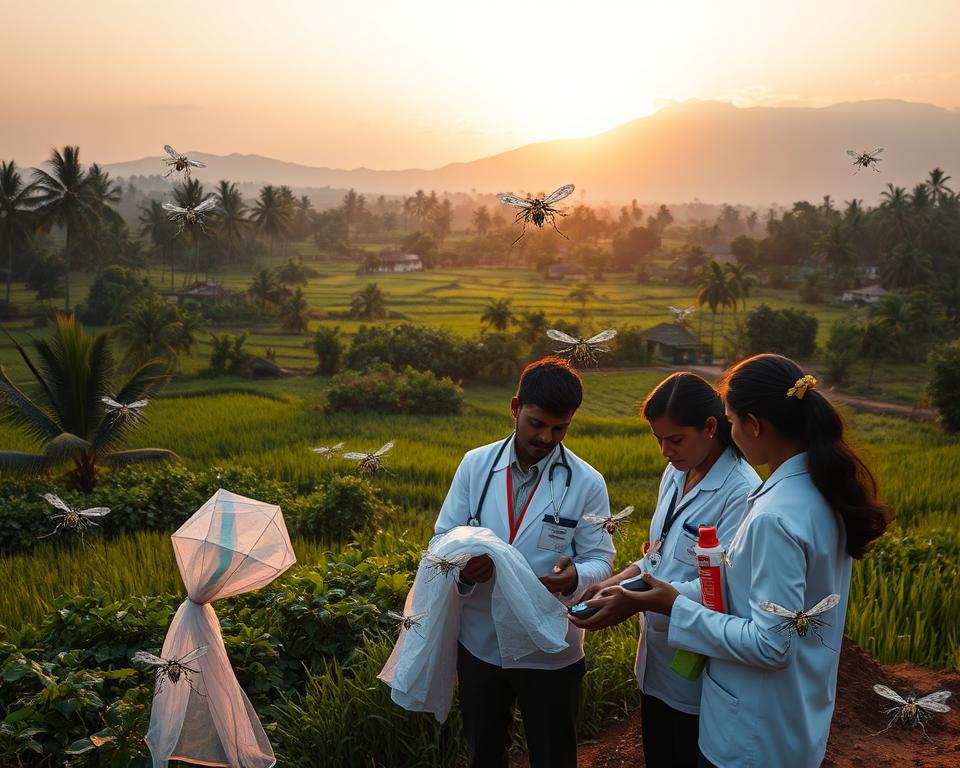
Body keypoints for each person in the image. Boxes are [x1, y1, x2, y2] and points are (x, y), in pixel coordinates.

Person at [572, 354, 893, 768]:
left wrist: (670, 604)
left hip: (754, 732)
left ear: (754, 425)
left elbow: (772, 643)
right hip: (787, 717)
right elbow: (732, 584)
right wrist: (637, 589)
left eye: (731, 420)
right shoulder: (814, 491)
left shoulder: (774, 514)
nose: (730, 430)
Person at [431, 357, 615, 768]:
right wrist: (462, 567)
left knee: (554, 756)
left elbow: (601, 558)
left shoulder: (586, 482)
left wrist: (575, 579)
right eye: (536, 423)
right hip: (480, 644)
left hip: (550, 647)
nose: (547, 437)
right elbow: (441, 539)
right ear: (515, 408)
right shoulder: (475, 465)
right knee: (485, 754)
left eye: (560, 428)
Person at [577, 372, 759, 768]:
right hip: (658, 659)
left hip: (699, 665)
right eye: (658, 439)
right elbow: (658, 556)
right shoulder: (677, 472)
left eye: (674, 439)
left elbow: (721, 589)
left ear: (710, 427)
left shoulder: (741, 491)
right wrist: (612, 583)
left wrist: (633, 599)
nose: (664, 451)